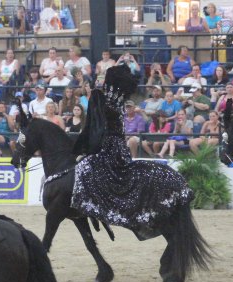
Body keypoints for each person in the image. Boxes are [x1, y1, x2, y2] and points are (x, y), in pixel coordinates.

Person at [71, 64, 195, 240]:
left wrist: (81, 148)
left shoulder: (101, 98)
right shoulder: (119, 100)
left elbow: (94, 128)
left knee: (83, 167)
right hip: (121, 148)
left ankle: (92, 210)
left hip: (108, 147)